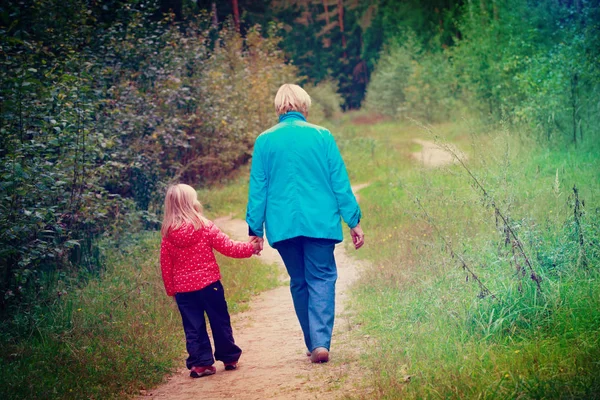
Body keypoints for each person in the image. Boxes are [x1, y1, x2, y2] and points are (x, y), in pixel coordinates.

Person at [246, 83, 365, 364]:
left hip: (283, 225)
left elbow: (258, 188)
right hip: (320, 222)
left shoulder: (264, 141)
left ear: (279, 108)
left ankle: (312, 344)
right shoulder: (322, 136)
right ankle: (321, 341)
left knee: (299, 281)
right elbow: (339, 181)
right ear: (304, 105)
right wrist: (353, 220)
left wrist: (255, 230)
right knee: (322, 277)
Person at [160, 183, 261, 378]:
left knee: (193, 326)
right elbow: (229, 247)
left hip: (184, 291)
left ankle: (201, 364)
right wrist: (251, 248)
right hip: (210, 286)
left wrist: (171, 290)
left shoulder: (168, 235)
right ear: (192, 203)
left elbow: (166, 266)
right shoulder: (204, 226)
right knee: (219, 321)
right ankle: (229, 357)